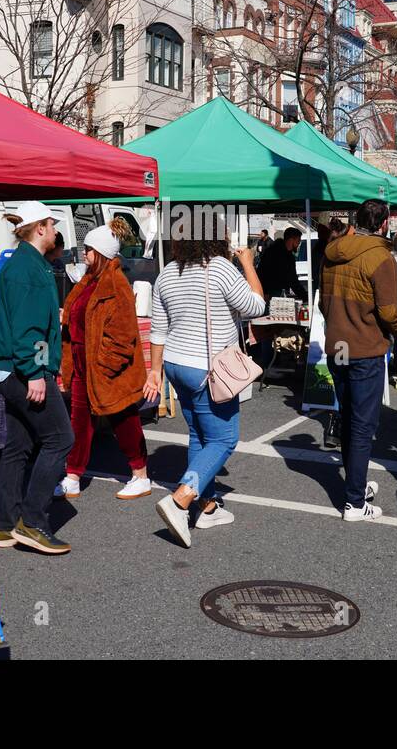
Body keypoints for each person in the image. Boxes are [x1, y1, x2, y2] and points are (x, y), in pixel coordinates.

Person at [145, 217, 265, 547]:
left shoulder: (167, 272)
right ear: (215, 237)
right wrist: (247, 264)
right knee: (224, 439)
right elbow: (256, 305)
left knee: (199, 432)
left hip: (175, 365)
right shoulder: (221, 268)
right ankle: (181, 499)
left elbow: (158, 330)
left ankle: (207, 507)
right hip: (207, 368)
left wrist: (154, 371)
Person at [0, 203, 75, 554]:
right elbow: (29, 331)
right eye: (52, 225)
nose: (55, 231)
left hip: (9, 368)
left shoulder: (25, 264)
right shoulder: (29, 270)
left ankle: (6, 526)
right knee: (59, 439)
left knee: (18, 446)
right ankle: (33, 522)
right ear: (40, 228)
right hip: (22, 370)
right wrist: (36, 373)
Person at [320, 199, 397, 522]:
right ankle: (355, 501)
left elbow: (322, 303)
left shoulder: (332, 252)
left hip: (337, 346)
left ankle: (355, 485)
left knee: (349, 419)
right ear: (384, 224)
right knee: (362, 425)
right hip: (364, 349)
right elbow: (387, 312)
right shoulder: (380, 257)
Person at [56, 226, 150, 501]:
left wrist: (106, 366)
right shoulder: (90, 279)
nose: (84, 254)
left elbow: (123, 335)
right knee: (79, 421)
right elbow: (80, 314)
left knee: (124, 419)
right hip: (83, 365)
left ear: (100, 254)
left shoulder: (116, 284)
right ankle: (73, 476)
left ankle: (141, 475)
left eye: (89, 250)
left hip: (106, 369)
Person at [258, 227, 304, 298]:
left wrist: (304, 296)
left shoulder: (290, 257)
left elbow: (293, 280)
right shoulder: (271, 252)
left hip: (281, 294)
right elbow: (262, 272)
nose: (299, 243)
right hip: (269, 294)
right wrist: (265, 291)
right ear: (291, 240)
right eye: (298, 241)